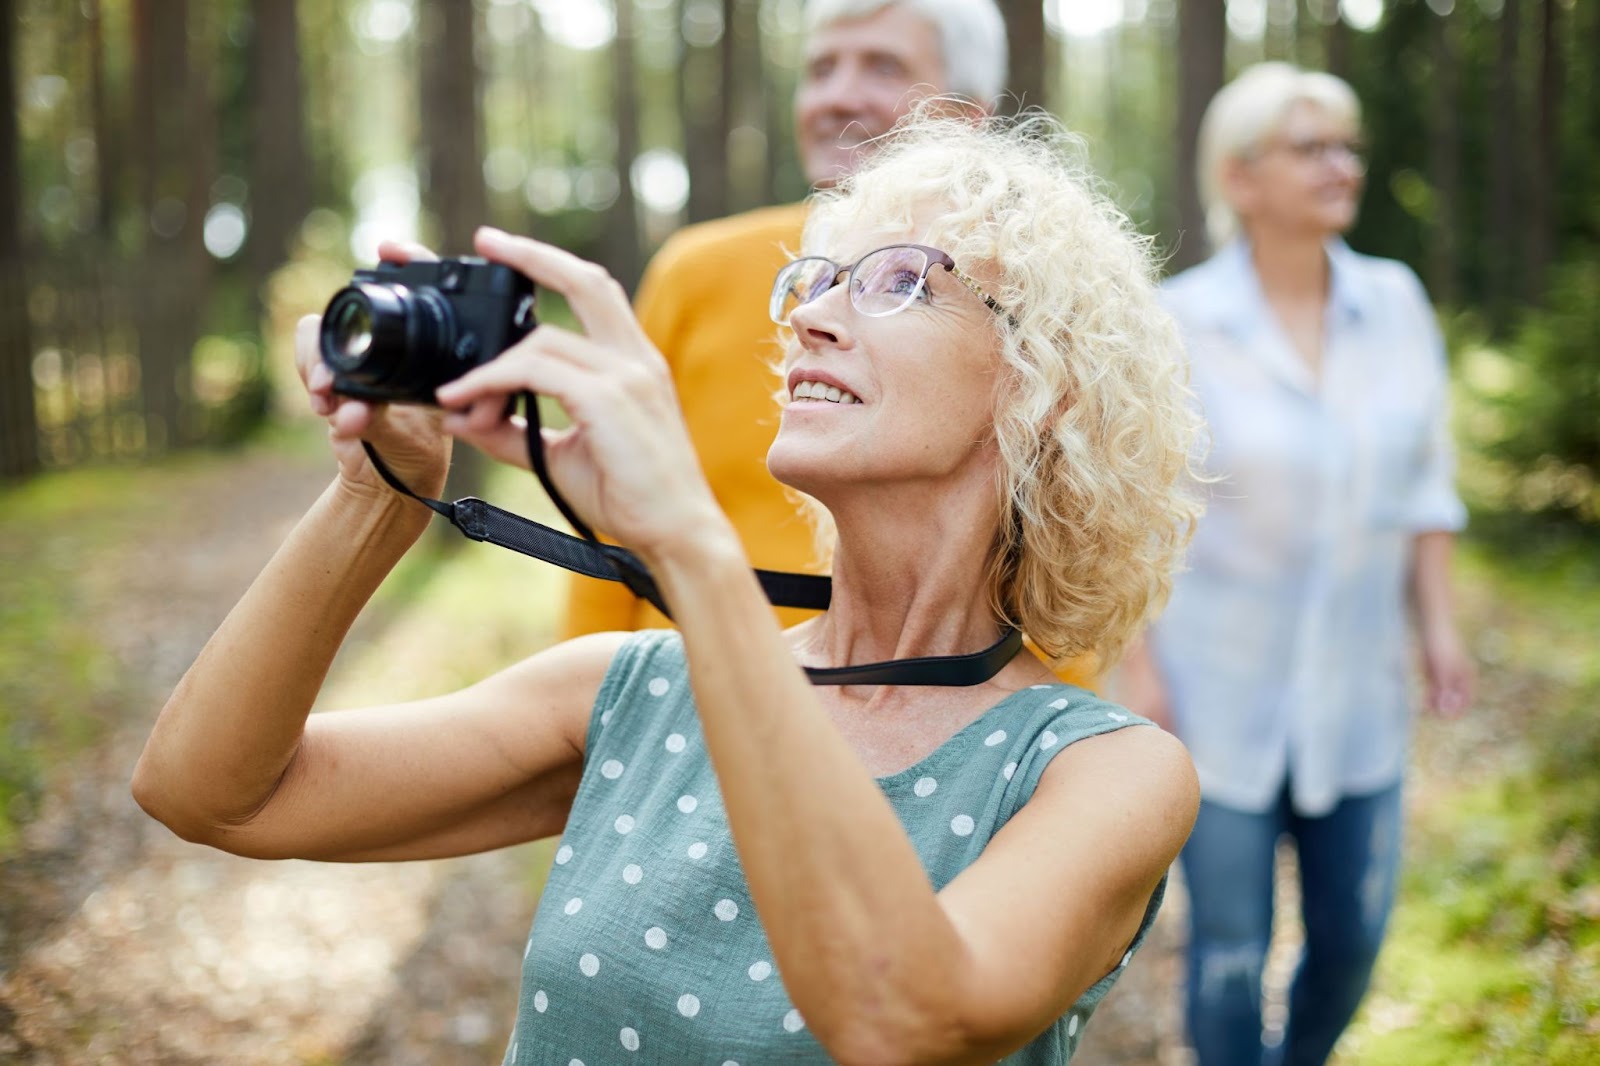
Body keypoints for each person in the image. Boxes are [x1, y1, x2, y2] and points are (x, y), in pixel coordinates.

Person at [133, 108, 1203, 1064]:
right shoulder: (630, 692)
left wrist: (685, 540)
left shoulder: (1102, 774)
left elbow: (904, 1020)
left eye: (898, 280)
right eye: (817, 280)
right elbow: (208, 791)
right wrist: (380, 497)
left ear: (1045, 386)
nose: (813, 319)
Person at [1116, 62, 1477, 1066]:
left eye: (1346, 145)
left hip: (1358, 693)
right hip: (1214, 693)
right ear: (1238, 178)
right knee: (1226, 953)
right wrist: (1138, 669)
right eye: (1310, 146)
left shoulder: (1394, 302)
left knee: (1353, 940)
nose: (1340, 164)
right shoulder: (1176, 321)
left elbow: (1425, 485)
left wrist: (1438, 628)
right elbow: (1137, 510)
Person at [559, 0, 1006, 626]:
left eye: (883, 66)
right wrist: (593, 708)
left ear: (965, 118)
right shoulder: (693, 271)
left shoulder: (1012, 293)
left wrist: (1051, 717)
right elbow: (612, 515)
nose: (837, 97)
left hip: (931, 711)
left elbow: (1057, 544)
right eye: (821, 69)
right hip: (684, 697)